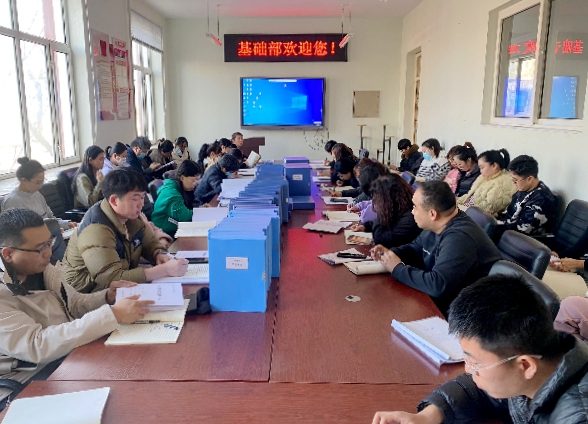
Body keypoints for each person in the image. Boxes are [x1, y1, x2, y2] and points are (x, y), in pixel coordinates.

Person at [372, 274, 588, 424]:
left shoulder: (578, 415)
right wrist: (428, 416)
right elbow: (481, 390)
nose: (468, 369)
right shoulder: (541, 361)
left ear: (525, 365)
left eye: (475, 363)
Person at [0, 208, 154, 409]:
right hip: (28, 378)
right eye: (40, 249)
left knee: (136, 368)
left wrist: (107, 296)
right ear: (8, 254)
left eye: (49, 243)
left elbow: (72, 303)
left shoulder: (41, 267)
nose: (48, 253)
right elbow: (37, 345)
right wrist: (112, 315)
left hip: (67, 353)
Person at [371, 180, 501, 315]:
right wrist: (390, 255)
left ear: (432, 214)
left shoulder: (459, 237)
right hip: (442, 301)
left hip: (464, 312)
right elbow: (416, 248)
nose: (412, 212)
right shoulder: (440, 223)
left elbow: (438, 285)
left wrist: (397, 268)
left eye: (415, 207)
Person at [63, 168, 189, 293]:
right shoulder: (96, 230)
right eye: (135, 199)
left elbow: (149, 241)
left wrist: (158, 253)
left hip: (120, 280)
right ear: (114, 200)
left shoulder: (130, 216)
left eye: (142, 197)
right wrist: (163, 270)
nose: (141, 204)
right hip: (87, 292)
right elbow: (110, 279)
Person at [2, 158, 73, 230]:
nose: (41, 186)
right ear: (24, 180)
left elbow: (51, 220)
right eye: (38, 183)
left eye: (42, 181)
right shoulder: (12, 202)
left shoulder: (37, 194)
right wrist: (51, 231)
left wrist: (66, 224)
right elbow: (17, 233)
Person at [351, 174, 421, 248]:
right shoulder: (399, 205)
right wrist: (365, 226)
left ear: (387, 198)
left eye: (379, 198)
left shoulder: (409, 217)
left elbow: (381, 240)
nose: (376, 201)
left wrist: (381, 210)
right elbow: (386, 222)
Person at [496, 155, 556, 237]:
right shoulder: (524, 189)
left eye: (515, 180)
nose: (513, 183)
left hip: (522, 239)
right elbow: (510, 214)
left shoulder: (542, 199)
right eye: (512, 179)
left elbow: (523, 229)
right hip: (508, 232)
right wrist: (497, 216)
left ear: (530, 179)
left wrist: (494, 223)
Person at [151, 160, 202, 237]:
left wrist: (200, 208)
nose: (196, 184)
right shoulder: (171, 193)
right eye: (194, 180)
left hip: (177, 227)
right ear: (182, 178)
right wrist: (202, 212)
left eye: (198, 180)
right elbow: (185, 217)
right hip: (166, 231)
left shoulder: (181, 188)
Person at [458, 149, 516, 214]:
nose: (480, 171)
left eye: (482, 167)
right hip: (467, 210)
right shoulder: (484, 177)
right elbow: (469, 195)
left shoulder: (502, 183)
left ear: (494, 166)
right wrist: (456, 203)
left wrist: (461, 209)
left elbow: (487, 207)